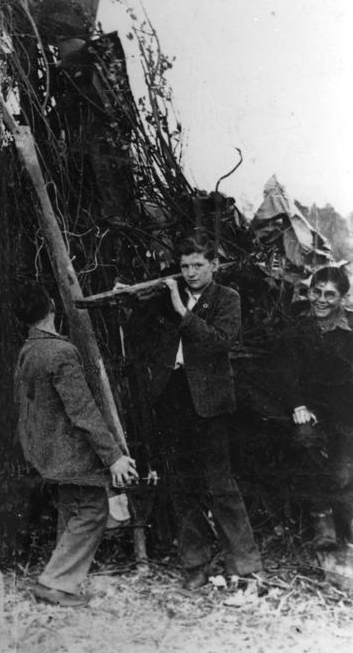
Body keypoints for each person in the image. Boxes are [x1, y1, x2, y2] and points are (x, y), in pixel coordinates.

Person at [133, 231, 261, 590]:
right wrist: (132, 293)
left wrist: (182, 311)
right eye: (184, 266)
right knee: (181, 484)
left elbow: (220, 342)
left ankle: (244, 564)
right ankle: (195, 563)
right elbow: (143, 326)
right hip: (173, 397)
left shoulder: (227, 299)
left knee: (221, 484)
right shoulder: (168, 296)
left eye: (198, 265)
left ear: (214, 266)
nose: (190, 273)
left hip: (209, 402)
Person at [14, 282, 138, 607]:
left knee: (72, 511)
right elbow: (82, 410)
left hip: (48, 452)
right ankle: (56, 582)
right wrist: (113, 458)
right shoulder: (61, 352)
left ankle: (64, 581)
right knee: (92, 510)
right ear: (52, 307)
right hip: (72, 453)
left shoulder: (29, 349)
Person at [279, 266, 353, 548]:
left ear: (343, 298)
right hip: (312, 408)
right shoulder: (297, 327)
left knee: (343, 471)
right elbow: (285, 370)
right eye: (316, 292)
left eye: (330, 295)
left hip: (347, 411)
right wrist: (298, 404)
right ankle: (321, 519)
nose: (321, 300)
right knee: (305, 441)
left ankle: (345, 527)